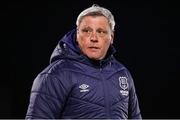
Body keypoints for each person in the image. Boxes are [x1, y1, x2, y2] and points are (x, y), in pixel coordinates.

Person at [26, 4, 142, 119]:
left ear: (112, 36)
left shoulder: (122, 74)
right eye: (87, 31)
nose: (94, 38)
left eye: (101, 32)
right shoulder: (56, 75)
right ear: (77, 34)